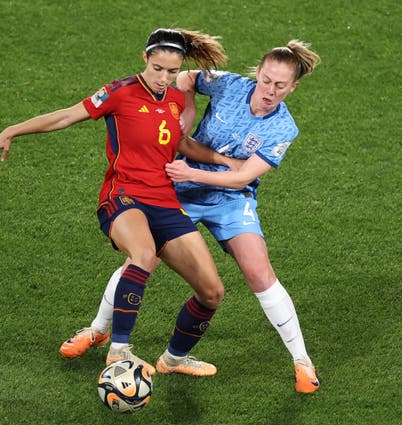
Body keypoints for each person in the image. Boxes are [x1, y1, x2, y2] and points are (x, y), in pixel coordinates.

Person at [59, 40, 322, 393]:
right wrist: (185, 116)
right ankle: (97, 330)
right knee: (142, 261)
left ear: (293, 88)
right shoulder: (228, 83)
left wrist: (193, 173)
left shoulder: (283, 128)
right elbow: (181, 78)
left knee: (258, 270)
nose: (270, 91)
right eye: (266, 80)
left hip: (230, 197)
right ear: (256, 73)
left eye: (280, 85)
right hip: (179, 190)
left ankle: (301, 361)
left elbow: (243, 177)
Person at [0, 28, 232, 377]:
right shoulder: (121, 92)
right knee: (144, 256)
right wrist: (13, 129)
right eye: (158, 68)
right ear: (145, 58)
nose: (164, 78)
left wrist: (224, 161)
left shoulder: (175, 99)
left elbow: (180, 143)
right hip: (123, 196)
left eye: (172, 71)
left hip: (164, 200)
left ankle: (174, 359)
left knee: (212, 291)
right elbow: (66, 116)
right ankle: (119, 351)